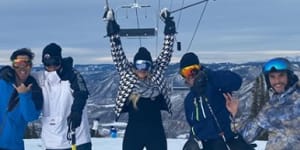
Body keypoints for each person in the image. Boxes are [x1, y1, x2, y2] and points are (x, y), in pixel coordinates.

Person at [103, 7, 176, 150]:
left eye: (146, 65)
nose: (142, 69)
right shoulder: (127, 74)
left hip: (155, 131)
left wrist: (169, 30)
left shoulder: (157, 73)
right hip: (134, 131)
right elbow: (117, 53)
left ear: (151, 66)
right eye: (139, 65)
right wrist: (112, 31)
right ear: (134, 66)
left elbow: (166, 53)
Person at [179, 52, 254, 150]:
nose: (190, 76)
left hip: (228, 142)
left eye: (192, 70)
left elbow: (236, 82)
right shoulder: (189, 101)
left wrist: (209, 74)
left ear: (199, 68)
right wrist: (192, 140)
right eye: (185, 73)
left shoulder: (215, 85)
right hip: (206, 145)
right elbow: (193, 127)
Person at [224, 57, 300, 150]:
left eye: (281, 75)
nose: (277, 81)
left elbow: (248, 136)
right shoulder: (272, 105)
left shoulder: (278, 107)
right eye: (272, 77)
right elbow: (249, 136)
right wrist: (236, 113)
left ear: (289, 76)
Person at [32, 43, 91, 150]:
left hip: (77, 138)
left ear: (60, 60)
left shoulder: (71, 75)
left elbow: (81, 93)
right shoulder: (40, 78)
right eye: (47, 63)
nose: (52, 67)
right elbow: (21, 76)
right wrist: (5, 71)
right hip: (52, 141)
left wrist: (76, 111)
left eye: (55, 62)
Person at [0, 48, 43, 150]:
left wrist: (24, 95)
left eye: (26, 64)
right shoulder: (2, 82)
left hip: (13, 146)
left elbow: (31, 116)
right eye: (18, 64)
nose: (22, 68)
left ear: (31, 66)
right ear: (13, 65)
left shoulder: (35, 91)